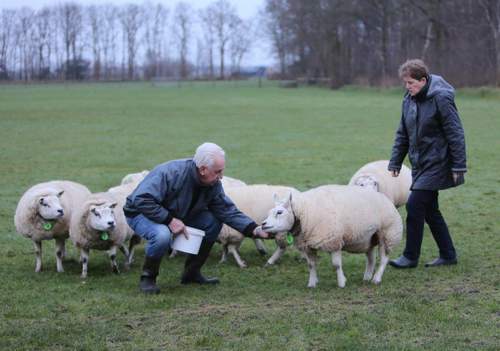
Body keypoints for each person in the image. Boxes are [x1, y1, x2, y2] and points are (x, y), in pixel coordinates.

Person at [124, 142, 269, 293]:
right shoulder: (170, 173)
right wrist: (169, 220)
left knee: (212, 222)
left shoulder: (212, 183)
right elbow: (142, 199)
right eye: (218, 171)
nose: (221, 176)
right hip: (141, 212)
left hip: (177, 213)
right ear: (203, 169)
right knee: (162, 235)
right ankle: (148, 278)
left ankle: (191, 273)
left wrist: (254, 229)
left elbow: (226, 209)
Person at [388, 59, 467, 269]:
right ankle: (448, 255)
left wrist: (459, 165)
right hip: (420, 164)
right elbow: (402, 133)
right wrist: (396, 161)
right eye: (405, 83)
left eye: (411, 83)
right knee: (431, 210)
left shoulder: (441, 98)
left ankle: (410, 256)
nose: (407, 87)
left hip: (439, 162)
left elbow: (455, 132)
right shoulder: (408, 99)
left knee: (414, 205)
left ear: (423, 80)